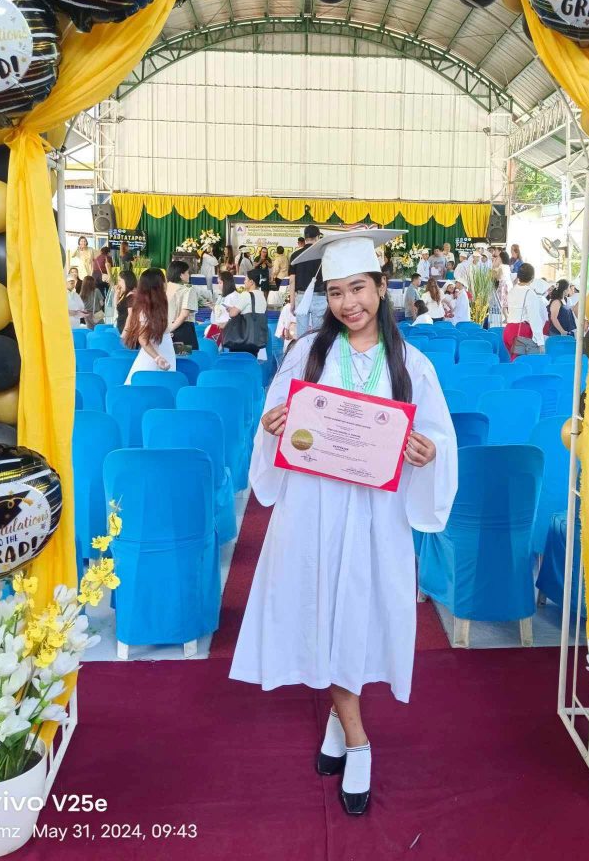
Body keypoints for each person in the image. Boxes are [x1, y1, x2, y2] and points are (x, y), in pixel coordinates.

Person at [230, 229, 456, 817]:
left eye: (358, 287)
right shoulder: (308, 354)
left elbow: (437, 434)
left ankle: (342, 726)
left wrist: (427, 452)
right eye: (334, 292)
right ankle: (358, 742)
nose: (348, 303)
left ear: (382, 288)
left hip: (376, 516)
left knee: (354, 616)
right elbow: (275, 425)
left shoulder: (413, 363)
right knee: (320, 613)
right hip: (313, 508)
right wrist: (274, 425)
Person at [123, 268, 176, 382]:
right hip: (156, 356)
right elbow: (143, 338)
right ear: (159, 284)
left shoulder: (159, 304)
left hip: (164, 352)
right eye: (164, 280)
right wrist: (157, 358)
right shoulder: (145, 309)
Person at [289, 224, 326, 338]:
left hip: (301, 296)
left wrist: (292, 302)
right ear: (318, 237)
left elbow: (292, 280)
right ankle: (317, 355)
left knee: (301, 334)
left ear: (305, 237)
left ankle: (301, 354)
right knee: (318, 334)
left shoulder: (295, 255)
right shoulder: (323, 254)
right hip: (320, 297)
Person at [504, 263, 547, 359]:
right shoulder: (530, 293)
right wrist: (540, 342)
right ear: (532, 278)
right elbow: (534, 318)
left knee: (515, 363)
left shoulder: (512, 290)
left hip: (509, 329)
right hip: (521, 331)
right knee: (524, 364)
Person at [225, 267, 268, 355]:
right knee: (251, 359)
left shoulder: (246, 295)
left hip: (243, 339)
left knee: (238, 362)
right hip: (255, 339)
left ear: (251, 282)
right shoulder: (262, 296)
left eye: (245, 279)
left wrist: (230, 309)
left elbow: (233, 314)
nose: (244, 282)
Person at [166, 260, 200, 349]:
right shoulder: (188, 289)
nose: (189, 275)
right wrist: (171, 329)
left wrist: (166, 330)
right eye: (187, 273)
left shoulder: (164, 288)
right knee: (186, 358)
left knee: (170, 359)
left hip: (165, 328)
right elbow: (184, 314)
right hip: (183, 331)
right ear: (181, 275)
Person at [205, 271, 236, 347]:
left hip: (226, 330)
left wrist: (225, 324)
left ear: (227, 283)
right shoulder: (222, 296)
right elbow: (220, 311)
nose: (218, 285)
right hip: (217, 327)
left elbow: (235, 315)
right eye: (218, 283)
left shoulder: (234, 296)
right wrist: (213, 307)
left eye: (220, 283)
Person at [114, 269, 138, 335]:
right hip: (121, 328)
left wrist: (125, 332)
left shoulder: (132, 295)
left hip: (128, 332)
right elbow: (116, 306)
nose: (118, 283)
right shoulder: (125, 293)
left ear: (127, 281)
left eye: (119, 280)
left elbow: (131, 315)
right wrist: (117, 294)